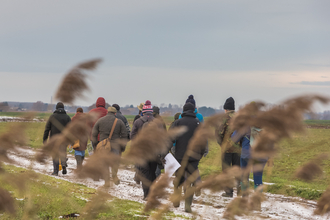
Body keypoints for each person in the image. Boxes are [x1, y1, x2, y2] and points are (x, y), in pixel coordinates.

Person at [170, 102, 206, 212]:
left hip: (179, 157)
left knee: (178, 179)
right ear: (194, 111)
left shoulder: (177, 123)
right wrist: (199, 155)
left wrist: (168, 153)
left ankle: (176, 200)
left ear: (183, 111)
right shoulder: (198, 123)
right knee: (190, 181)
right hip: (194, 158)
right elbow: (203, 141)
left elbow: (170, 138)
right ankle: (188, 206)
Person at [92, 106, 128, 186]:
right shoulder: (119, 122)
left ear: (107, 112)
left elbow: (94, 134)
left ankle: (107, 181)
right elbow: (125, 135)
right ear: (115, 113)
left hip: (103, 146)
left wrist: (96, 145)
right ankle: (114, 175)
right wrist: (123, 147)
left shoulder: (100, 120)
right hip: (115, 146)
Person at [130, 100, 158, 200]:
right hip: (154, 152)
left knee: (145, 173)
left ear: (143, 112)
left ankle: (146, 195)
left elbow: (132, 136)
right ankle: (152, 193)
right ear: (151, 112)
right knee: (152, 172)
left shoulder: (138, 122)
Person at [216, 97, 240, 197]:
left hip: (226, 149)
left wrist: (222, 144)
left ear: (226, 108)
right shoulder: (239, 117)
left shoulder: (224, 118)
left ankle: (229, 191)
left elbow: (218, 133)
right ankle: (240, 190)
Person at [43, 102, 71, 176]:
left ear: (56, 108)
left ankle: (56, 171)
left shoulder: (52, 117)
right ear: (63, 108)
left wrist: (45, 140)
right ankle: (63, 164)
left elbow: (47, 129)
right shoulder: (67, 117)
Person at [152, 106, 167, 178]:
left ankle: (154, 176)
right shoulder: (161, 121)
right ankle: (157, 176)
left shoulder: (151, 120)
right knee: (159, 160)